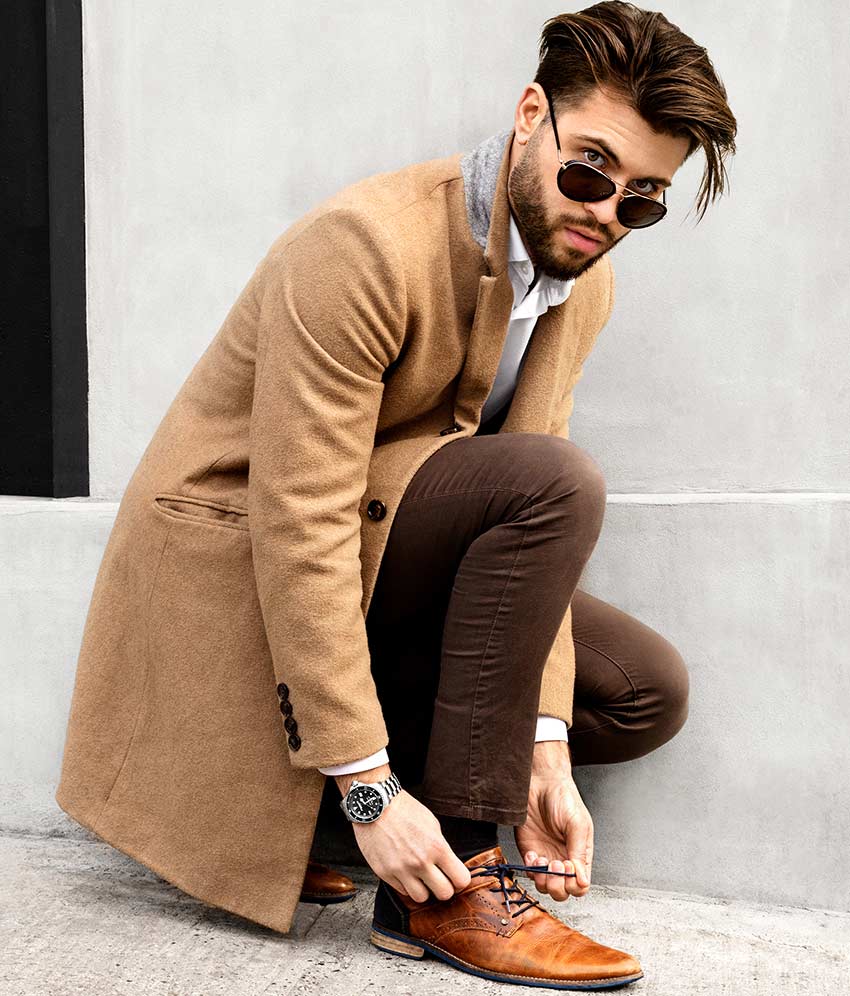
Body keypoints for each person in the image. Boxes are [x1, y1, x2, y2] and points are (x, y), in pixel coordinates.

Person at [56, 1, 736, 989]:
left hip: (385, 559)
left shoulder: (581, 283)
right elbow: (302, 521)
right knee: (550, 482)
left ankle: (313, 816)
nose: (603, 213)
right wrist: (373, 790)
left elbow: (524, 516)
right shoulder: (365, 245)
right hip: (240, 569)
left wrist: (543, 750)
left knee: (638, 690)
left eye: (641, 201)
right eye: (589, 169)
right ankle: (450, 883)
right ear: (529, 115)